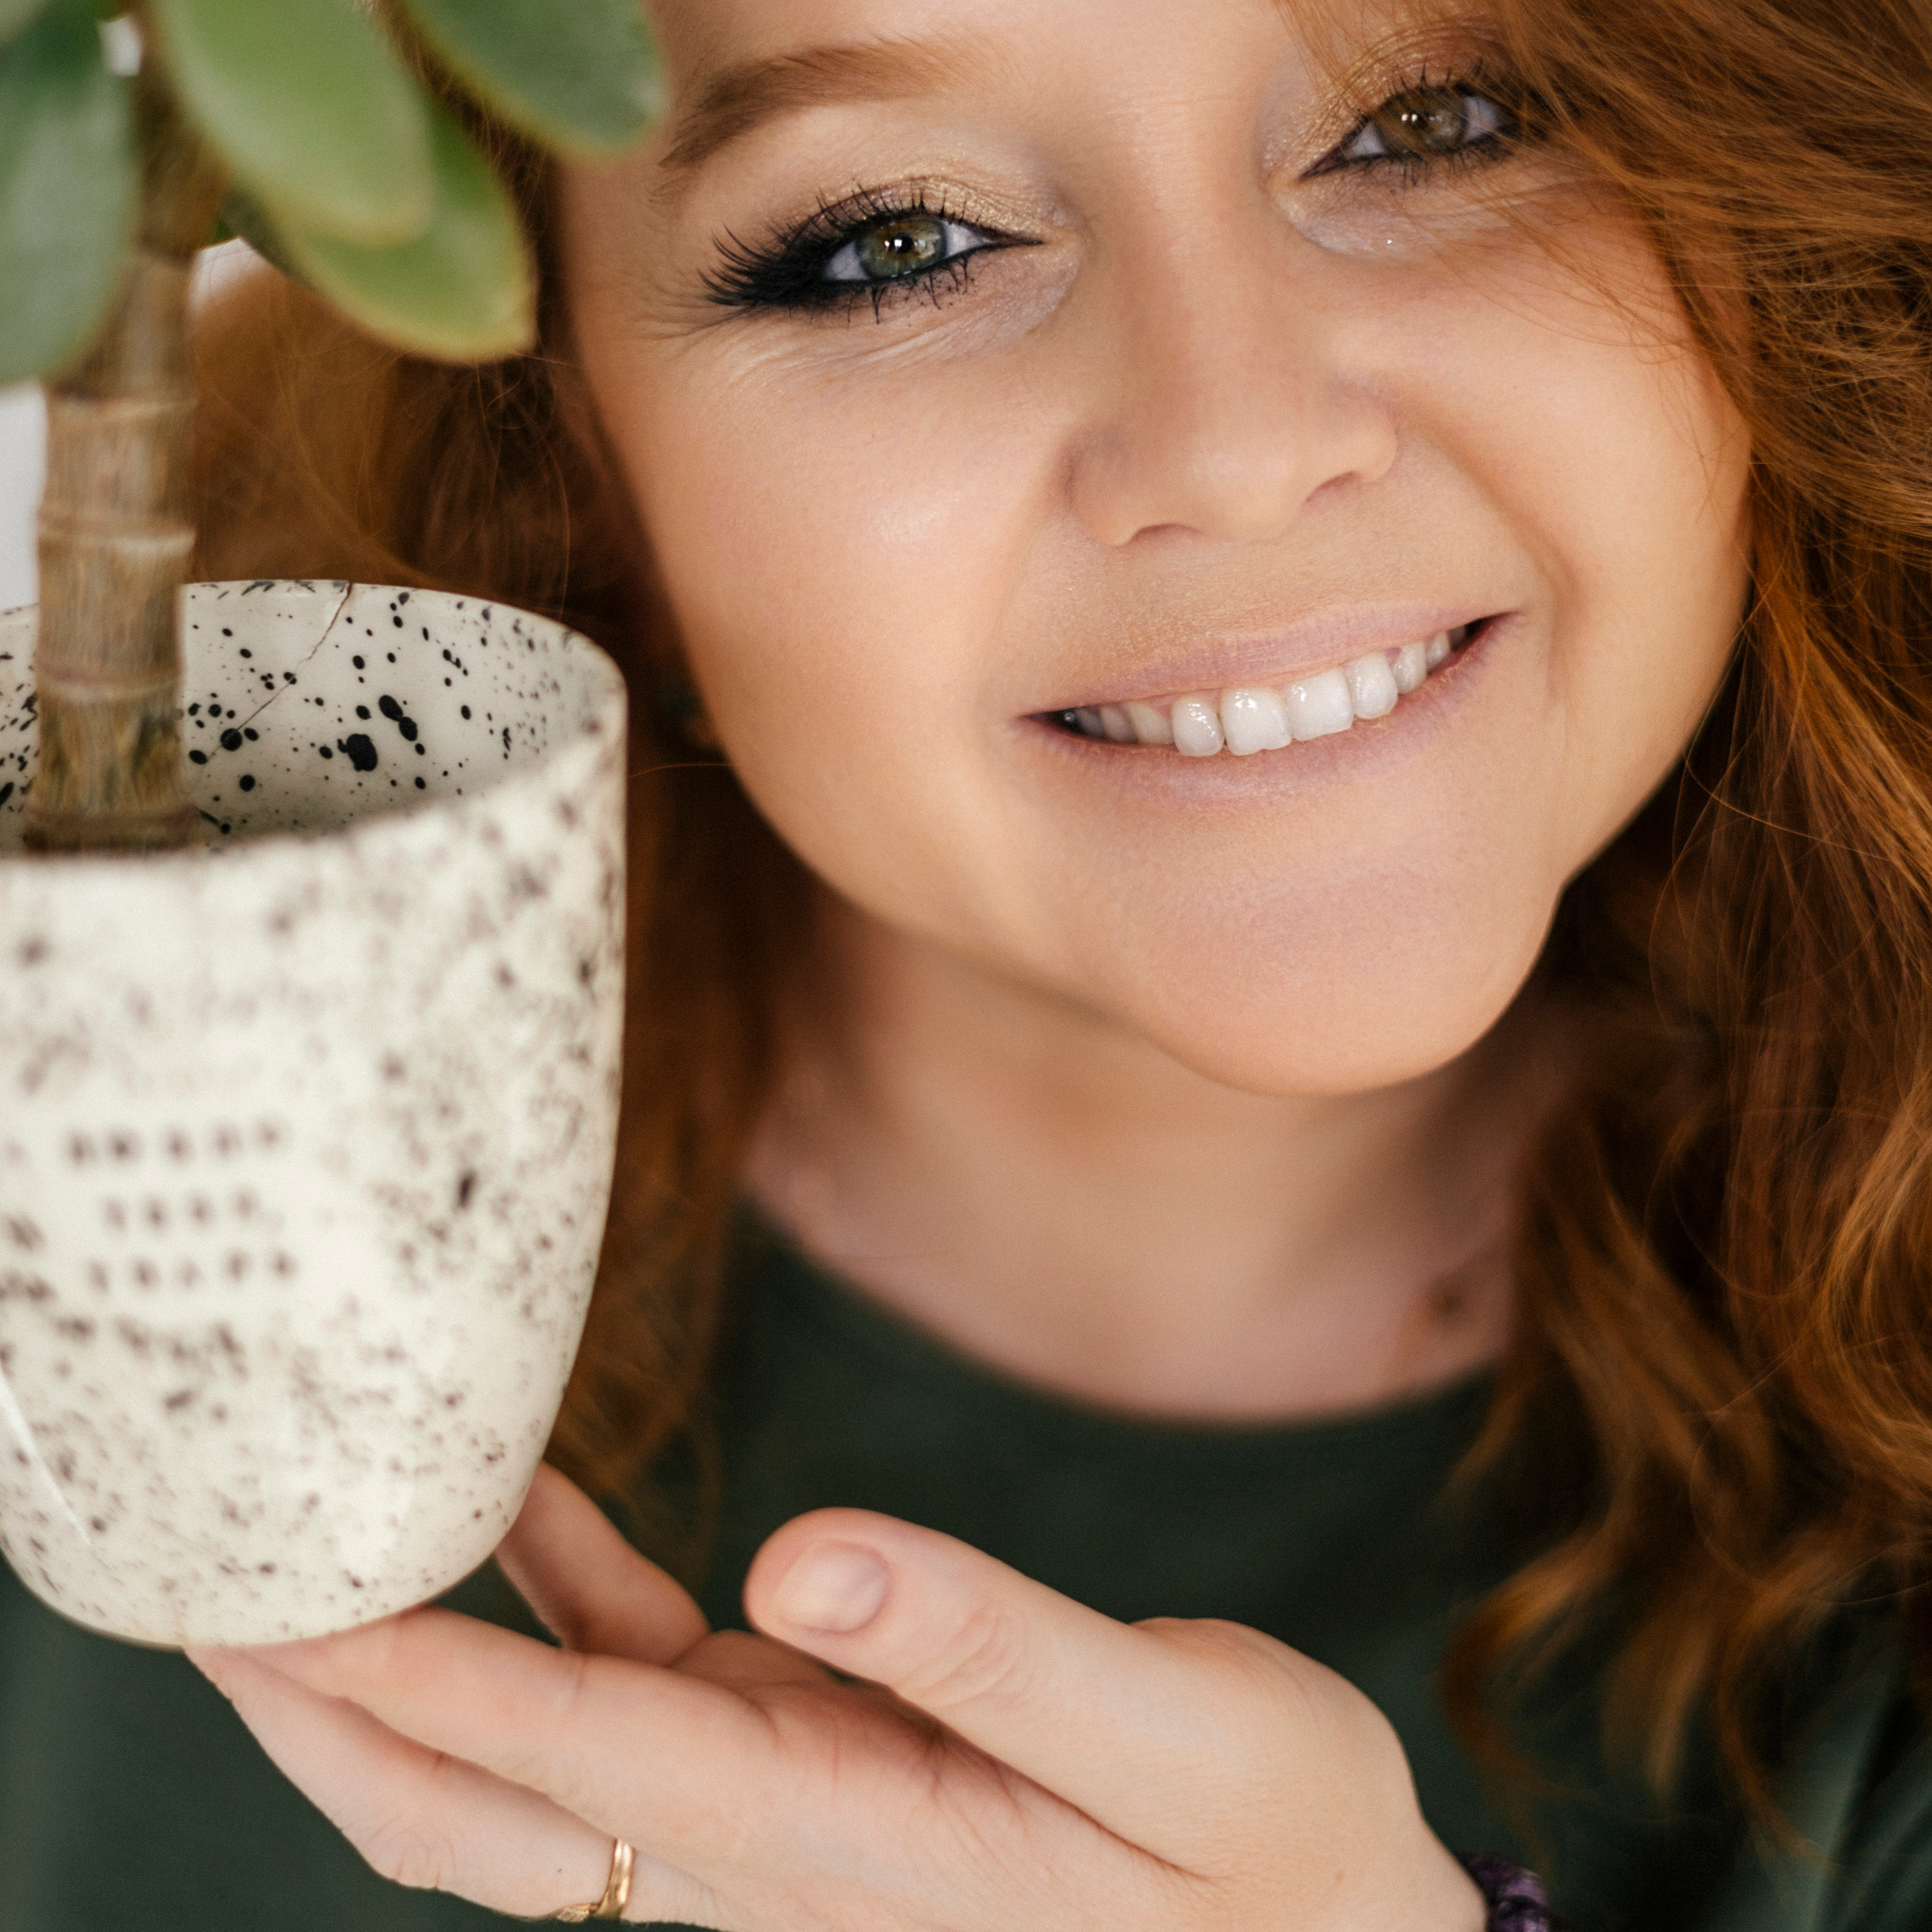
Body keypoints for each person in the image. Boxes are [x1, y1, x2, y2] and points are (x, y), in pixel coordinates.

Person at [7, 0, 1932, 1923]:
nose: (1240, 446)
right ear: (569, 456)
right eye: (893, 244)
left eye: (1436, 119)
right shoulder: (76, 1208)